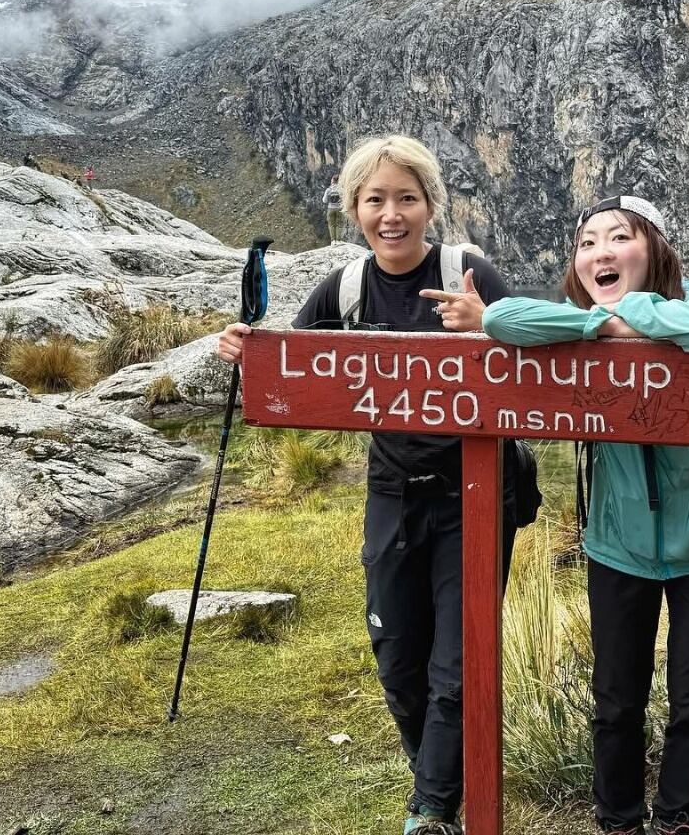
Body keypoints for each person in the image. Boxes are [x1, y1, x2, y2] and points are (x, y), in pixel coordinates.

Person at [217, 134, 520, 835]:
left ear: (430, 205)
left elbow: (534, 356)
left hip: (472, 496)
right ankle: (443, 779)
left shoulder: (467, 272)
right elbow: (292, 371)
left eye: (407, 198)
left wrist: (490, 323)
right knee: (396, 661)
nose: (392, 214)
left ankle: (430, 812)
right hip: (391, 494)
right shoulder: (345, 289)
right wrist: (243, 351)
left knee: (457, 664)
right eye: (375, 199)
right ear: (355, 208)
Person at [425, 194, 689, 835]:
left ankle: (681, 820)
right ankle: (619, 822)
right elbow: (509, 317)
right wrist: (600, 327)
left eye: (619, 237)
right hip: (616, 544)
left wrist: (634, 316)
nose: (600, 252)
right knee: (615, 703)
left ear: (652, 248)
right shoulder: (570, 318)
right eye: (586, 243)